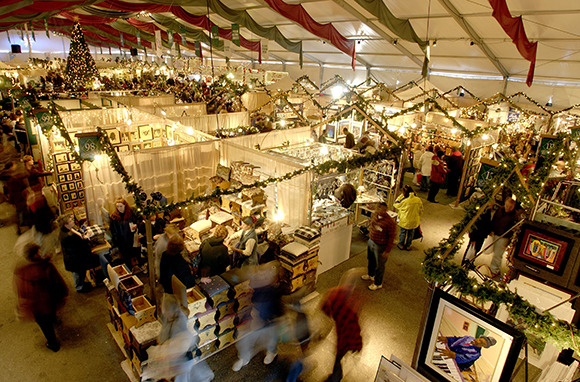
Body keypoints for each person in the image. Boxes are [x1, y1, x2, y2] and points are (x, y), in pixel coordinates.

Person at [13, 243, 68, 352]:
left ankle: (53, 344)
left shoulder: (23, 272)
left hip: (36, 306)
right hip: (49, 301)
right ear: (37, 253)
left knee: (45, 326)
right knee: (51, 315)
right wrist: (63, 293)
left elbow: (22, 291)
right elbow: (58, 283)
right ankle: (54, 320)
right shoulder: (46, 267)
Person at [232, 261, 283, 372]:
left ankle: (272, 352)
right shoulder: (260, 284)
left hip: (271, 319)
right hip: (257, 314)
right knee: (246, 337)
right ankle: (244, 357)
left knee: (271, 339)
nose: (263, 276)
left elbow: (279, 309)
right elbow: (241, 278)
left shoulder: (276, 290)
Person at [321, 269, 363, 382]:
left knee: (338, 357)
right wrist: (358, 344)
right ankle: (336, 377)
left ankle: (336, 376)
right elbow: (353, 327)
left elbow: (324, 308)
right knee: (339, 357)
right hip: (345, 338)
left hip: (341, 334)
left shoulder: (333, 293)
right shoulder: (353, 300)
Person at [59, 214, 101, 293]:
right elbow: (81, 245)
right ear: (65, 224)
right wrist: (87, 237)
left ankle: (80, 284)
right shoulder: (69, 236)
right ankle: (80, 287)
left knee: (78, 273)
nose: (73, 222)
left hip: (73, 258)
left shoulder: (66, 230)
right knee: (78, 274)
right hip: (76, 260)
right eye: (70, 221)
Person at [361, 202, 396, 291]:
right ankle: (371, 274)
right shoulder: (375, 214)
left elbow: (392, 237)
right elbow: (372, 224)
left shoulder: (389, 222)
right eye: (379, 208)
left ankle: (378, 283)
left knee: (380, 265)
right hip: (371, 241)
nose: (380, 210)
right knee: (371, 259)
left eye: (383, 209)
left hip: (381, 246)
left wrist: (387, 250)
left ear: (386, 210)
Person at [489, 198, 520, 277]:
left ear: (513, 207)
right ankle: (495, 269)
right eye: (507, 206)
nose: (508, 208)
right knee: (495, 252)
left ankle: (494, 270)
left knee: (497, 255)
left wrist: (508, 241)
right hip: (496, 233)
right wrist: (491, 230)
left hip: (504, 237)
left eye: (510, 207)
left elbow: (513, 230)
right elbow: (494, 219)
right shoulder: (500, 210)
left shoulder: (514, 216)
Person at [109, 198, 138, 268]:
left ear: (125, 205)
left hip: (131, 235)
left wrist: (135, 225)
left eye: (121, 206)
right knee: (126, 254)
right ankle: (129, 266)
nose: (119, 208)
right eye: (117, 207)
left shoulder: (130, 213)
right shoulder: (114, 217)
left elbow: (136, 221)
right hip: (121, 239)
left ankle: (136, 263)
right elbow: (113, 231)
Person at [393, 185, 423, 251]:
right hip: (414, 220)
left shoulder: (405, 201)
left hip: (405, 220)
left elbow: (395, 204)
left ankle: (401, 245)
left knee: (403, 233)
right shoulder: (418, 199)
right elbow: (421, 210)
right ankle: (408, 246)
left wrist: (400, 196)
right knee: (411, 233)